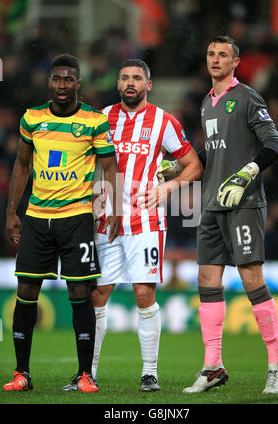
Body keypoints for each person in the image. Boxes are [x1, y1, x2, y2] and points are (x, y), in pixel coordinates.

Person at [62, 58, 202, 392]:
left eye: (137, 78)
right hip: (104, 220)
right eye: (124, 77)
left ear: (148, 85)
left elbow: (194, 165)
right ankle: (87, 373)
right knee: (97, 294)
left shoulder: (163, 122)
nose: (130, 83)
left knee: (143, 292)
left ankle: (149, 373)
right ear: (118, 83)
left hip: (146, 220)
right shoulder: (101, 119)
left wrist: (168, 186)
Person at [3, 53, 121, 393]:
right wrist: (13, 212)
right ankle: (21, 374)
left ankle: (85, 374)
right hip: (37, 219)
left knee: (80, 291)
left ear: (78, 83)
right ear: (49, 82)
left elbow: (110, 167)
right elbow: (21, 167)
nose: (62, 85)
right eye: (57, 79)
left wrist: (114, 208)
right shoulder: (32, 118)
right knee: (26, 290)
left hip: (76, 218)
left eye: (69, 79)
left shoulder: (94, 121)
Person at [183, 35, 278, 395]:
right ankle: (212, 367)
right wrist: (180, 165)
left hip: (243, 203)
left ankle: (277, 364)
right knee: (207, 282)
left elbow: (274, 143)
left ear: (236, 62)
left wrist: (247, 173)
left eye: (223, 55)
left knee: (250, 280)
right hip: (211, 204)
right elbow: (213, 150)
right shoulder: (206, 102)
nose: (215, 59)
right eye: (211, 53)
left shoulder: (247, 98)